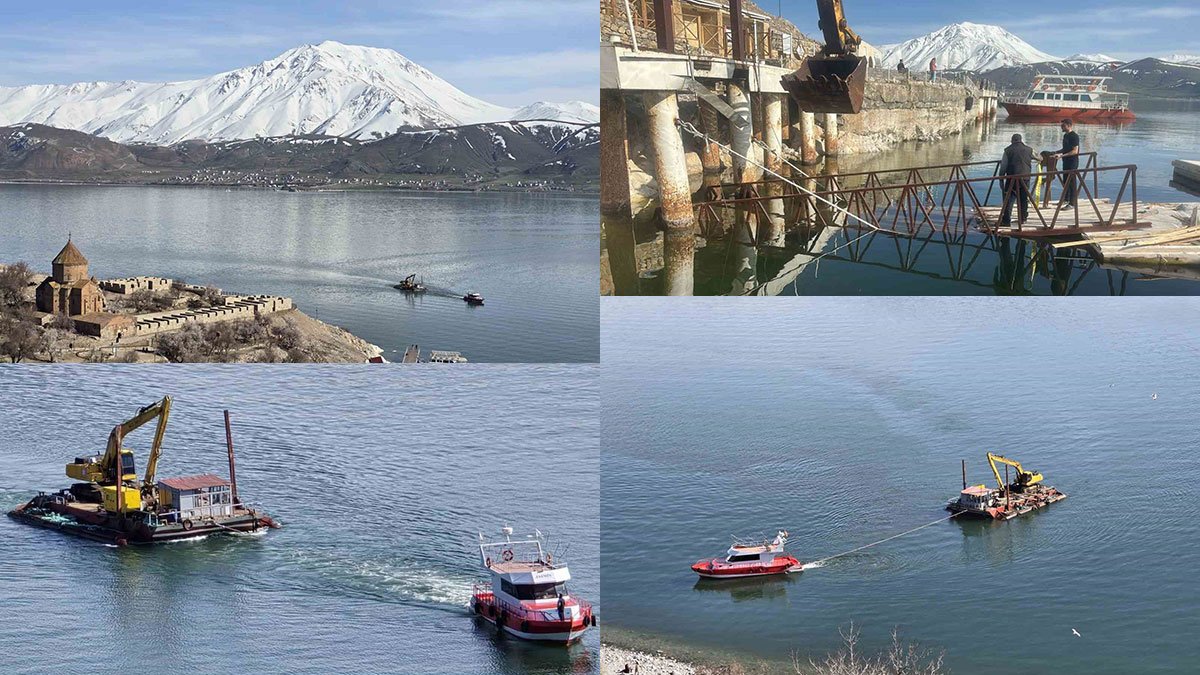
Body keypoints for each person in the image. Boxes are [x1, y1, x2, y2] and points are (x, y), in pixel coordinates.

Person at [999, 133, 1034, 226]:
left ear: (1012, 140)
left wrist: (1001, 179)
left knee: (1009, 199)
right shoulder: (1029, 149)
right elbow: (1039, 158)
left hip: (1012, 178)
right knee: (1023, 198)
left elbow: (1003, 166)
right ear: (1021, 140)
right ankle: (1023, 218)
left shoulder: (1007, 150)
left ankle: (1006, 221)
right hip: (1025, 178)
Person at [1052, 118, 1081, 208]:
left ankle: (1072, 203)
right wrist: (1056, 152)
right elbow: (1065, 149)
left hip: (1072, 162)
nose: (1061, 127)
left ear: (1069, 125)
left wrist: (1062, 156)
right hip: (1065, 162)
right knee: (1065, 181)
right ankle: (1066, 199)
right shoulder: (1066, 136)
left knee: (1071, 182)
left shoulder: (1074, 136)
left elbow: (1075, 151)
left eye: (1063, 126)